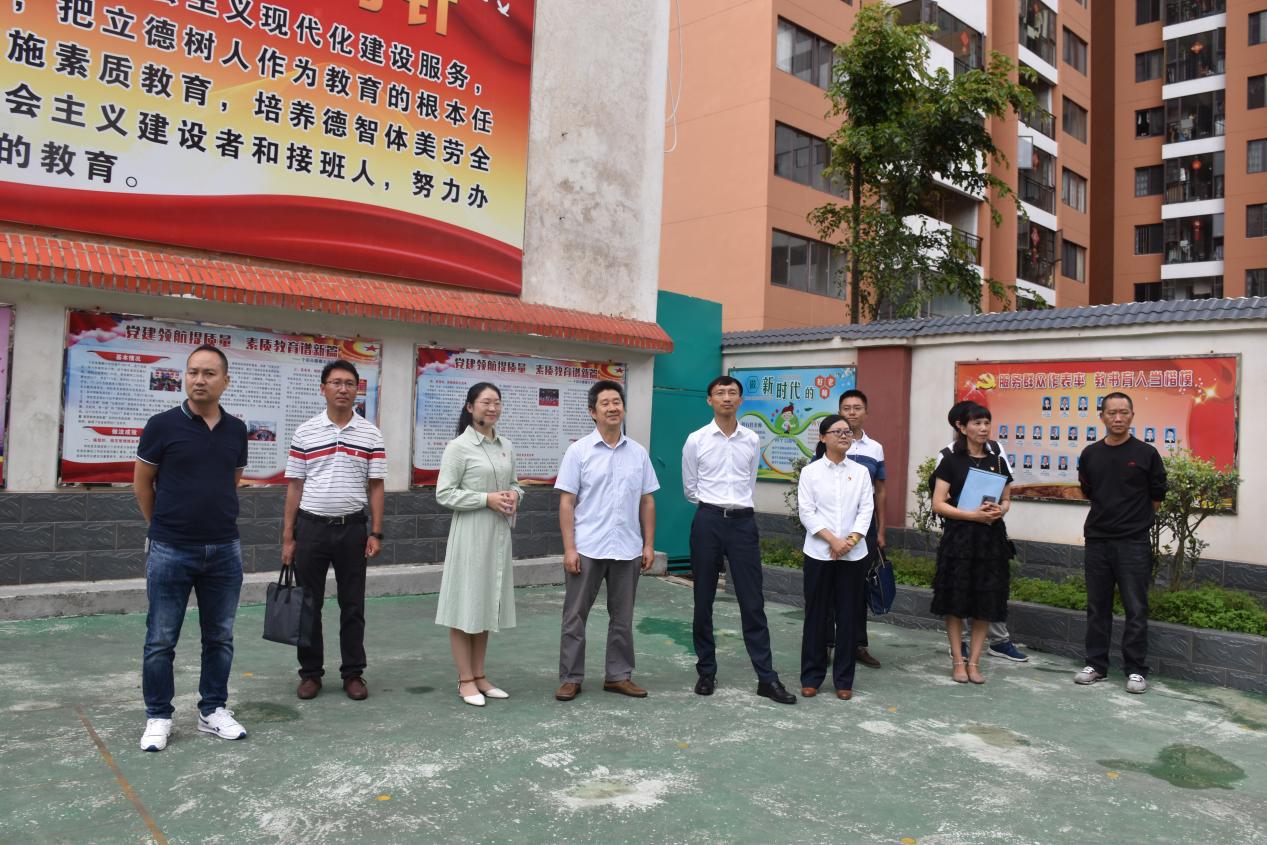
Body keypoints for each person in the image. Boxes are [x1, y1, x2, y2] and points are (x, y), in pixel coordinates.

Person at [134, 345, 249, 752]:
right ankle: (158, 716)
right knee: (161, 639)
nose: (199, 380)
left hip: (224, 549)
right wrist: (163, 527)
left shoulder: (237, 430)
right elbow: (142, 483)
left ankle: (212, 710)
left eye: (209, 373)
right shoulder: (161, 425)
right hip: (171, 549)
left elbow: (232, 479)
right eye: (193, 372)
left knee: (220, 637)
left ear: (225, 381)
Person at [683, 376, 796, 705]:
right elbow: (690, 487)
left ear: (740, 400)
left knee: (752, 601)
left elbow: (749, 481)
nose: (727, 398)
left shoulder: (751, 439)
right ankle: (706, 671)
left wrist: (734, 509)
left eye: (732, 392)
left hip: (743, 524)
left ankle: (766, 678)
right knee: (703, 599)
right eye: (720, 393)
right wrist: (715, 508)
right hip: (708, 521)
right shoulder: (696, 440)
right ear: (710, 400)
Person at [283, 359, 386, 702]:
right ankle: (310, 673)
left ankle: (353, 673)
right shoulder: (305, 432)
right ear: (323, 388)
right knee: (308, 605)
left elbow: (376, 486)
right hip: (311, 528)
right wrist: (288, 537)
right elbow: (295, 486)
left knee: (352, 605)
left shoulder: (370, 433)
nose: (343, 389)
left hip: (352, 530)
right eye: (336, 382)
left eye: (349, 383)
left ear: (357, 390)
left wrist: (376, 532)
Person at [554, 381, 658, 701]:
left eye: (617, 401)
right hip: (587, 547)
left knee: (623, 617)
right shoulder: (579, 451)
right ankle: (571, 677)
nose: (613, 407)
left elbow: (647, 501)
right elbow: (567, 503)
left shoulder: (638, 453)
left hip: (627, 547)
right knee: (575, 616)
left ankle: (618, 676)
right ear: (592, 412)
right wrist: (569, 549)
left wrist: (648, 544)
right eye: (605, 403)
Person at [435, 382, 522, 706]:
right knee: (465, 605)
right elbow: (444, 493)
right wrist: (486, 499)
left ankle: (480, 675)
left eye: (497, 402)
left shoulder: (506, 446)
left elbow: (514, 484)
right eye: (486, 402)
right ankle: (465, 679)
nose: (493, 408)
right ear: (470, 407)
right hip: (470, 535)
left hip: (497, 536)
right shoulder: (458, 447)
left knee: (486, 603)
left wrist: (514, 495)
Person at [1074, 392, 1167, 694]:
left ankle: (1136, 670)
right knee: (1097, 606)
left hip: (1133, 543)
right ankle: (1095, 665)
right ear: (1101, 416)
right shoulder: (1090, 454)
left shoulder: (1146, 453)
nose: (1117, 418)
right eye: (1111, 413)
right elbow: (1089, 490)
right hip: (1097, 540)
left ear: (1132, 416)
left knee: (1135, 608)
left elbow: (1157, 496)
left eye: (1123, 412)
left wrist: (1134, 521)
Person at [935, 402, 1029, 663]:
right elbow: (939, 502)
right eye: (977, 423)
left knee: (987, 597)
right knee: (957, 597)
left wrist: (1001, 510)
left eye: (987, 422)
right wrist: (971, 515)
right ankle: (959, 653)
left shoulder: (997, 457)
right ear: (962, 427)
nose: (984, 428)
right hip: (960, 538)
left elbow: (1006, 498)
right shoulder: (949, 457)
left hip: (990, 538)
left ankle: (991, 648)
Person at [797, 415, 874, 700]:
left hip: (853, 557)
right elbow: (807, 512)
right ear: (823, 437)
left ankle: (844, 680)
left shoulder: (861, 472)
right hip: (819, 553)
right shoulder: (811, 472)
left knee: (848, 617)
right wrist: (833, 540)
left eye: (847, 432)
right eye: (837, 431)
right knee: (816, 616)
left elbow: (866, 510)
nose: (844, 435)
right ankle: (812, 677)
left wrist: (849, 542)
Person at [838, 389, 885, 670]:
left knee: (858, 588)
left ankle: (857, 644)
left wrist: (881, 530)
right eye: (846, 408)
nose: (852, 412)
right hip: (833, 528)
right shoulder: (828, 441)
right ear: (839, 411)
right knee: (830, 587)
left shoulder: (875, 448)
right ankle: (828, 643)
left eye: (857, 408)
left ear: (866, 413)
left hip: (865, 528)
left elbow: (881, 491)